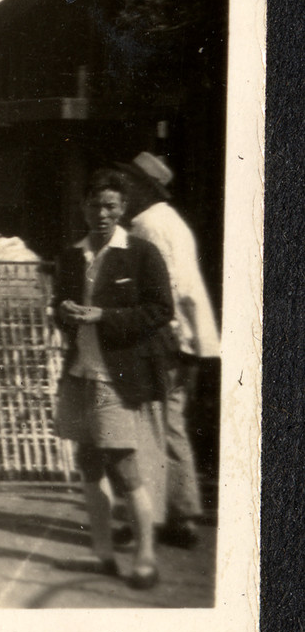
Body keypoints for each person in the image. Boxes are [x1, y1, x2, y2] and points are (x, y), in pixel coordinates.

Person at [52, 168, 173, 590]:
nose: (101, 213)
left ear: (123, 209)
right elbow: (58, 307)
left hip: (116, 377)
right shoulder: (72, 255)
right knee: (87, 462)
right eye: (94, 205)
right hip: (79, 374)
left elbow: (160, 311)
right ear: (83, 207)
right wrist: (64, 314)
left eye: (110, 206)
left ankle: (145, 556)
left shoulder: (140, 253)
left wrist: (105, 316)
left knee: (123, 467)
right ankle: (102, 553)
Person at [120, 152, 220, 549]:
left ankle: (166, 515)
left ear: (143, 186)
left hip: (163, 337)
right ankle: (178, 513)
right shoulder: (169, 220)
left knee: (151, 425)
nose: (124, 189)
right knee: (168, 423)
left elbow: (166, 286)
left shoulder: (148, 225)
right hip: (183, 336)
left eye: (129, 182)